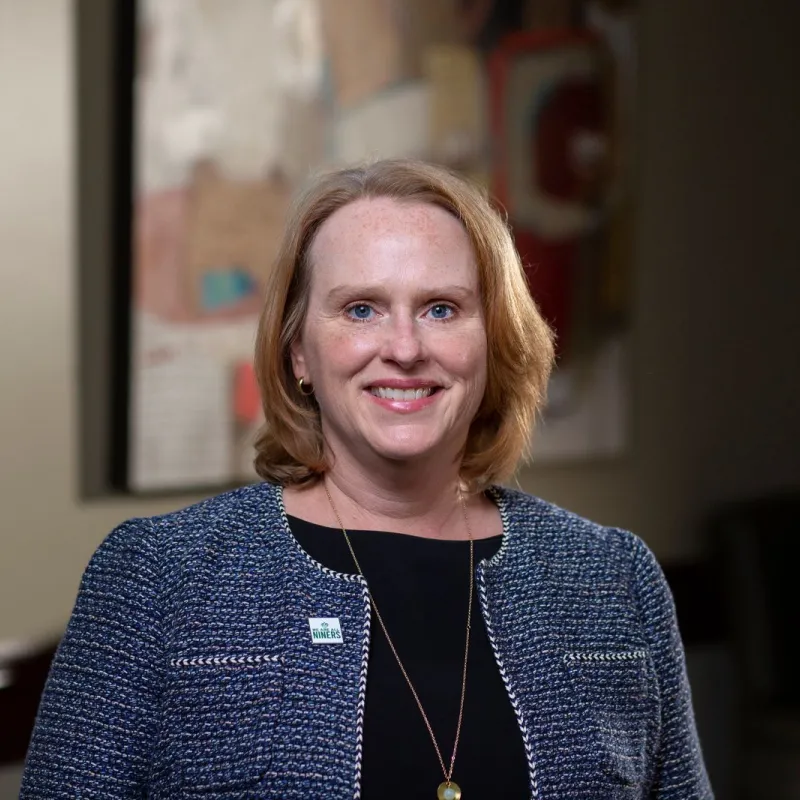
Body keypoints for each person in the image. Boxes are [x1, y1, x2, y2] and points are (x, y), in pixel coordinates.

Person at [20, 159, 712, 799]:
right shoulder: (159, 576)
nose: (404, 348)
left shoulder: (615, 579)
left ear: (493, 340)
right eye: (361, 309)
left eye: (441, 308)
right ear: (298, 351)